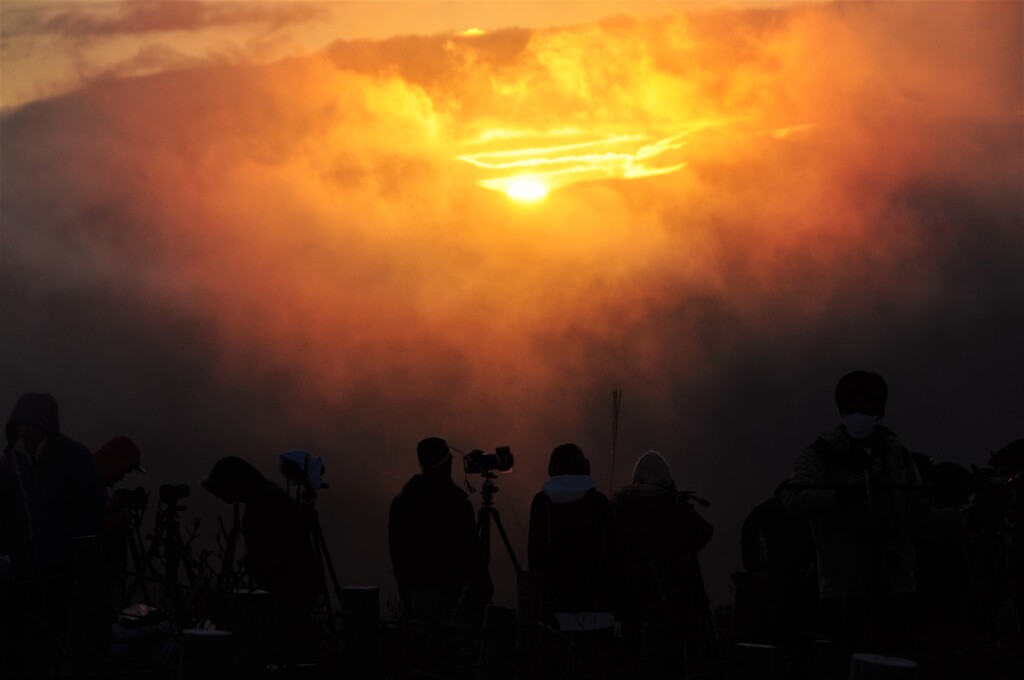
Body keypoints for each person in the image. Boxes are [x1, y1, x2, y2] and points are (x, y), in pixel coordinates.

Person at [781, 370, 961, 659]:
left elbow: (923, 518)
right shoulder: (820, 454)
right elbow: (793, 500)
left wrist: (970, 517)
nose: (858, 415)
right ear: (840, 409)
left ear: (880, 410)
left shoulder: (898, 455)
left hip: (897, 590)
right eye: (851, 408)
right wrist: (848, 494)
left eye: (867, 407)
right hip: (845, 596)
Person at [0, 392, 107, 673]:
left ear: (44, 425)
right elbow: (5, 507)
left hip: (63, 565)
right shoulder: (12, 460)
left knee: (58, 631)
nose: (24, 430)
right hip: (23, 564)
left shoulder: (73, 457)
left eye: (30, 424)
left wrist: (82, 547)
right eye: (20, 424)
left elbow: (93, 503)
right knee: (26, 629)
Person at [612, 450, 714, 674]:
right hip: (674, 605)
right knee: (672, 665)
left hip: (631, 604)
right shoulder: (671, 508)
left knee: (635, 662)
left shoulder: (619, 509)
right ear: (667, 482)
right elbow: (704, 532)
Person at [388, 437, 487, 623]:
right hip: (455, 595)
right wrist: (483, 591)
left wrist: (406, 592)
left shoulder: (401, 502)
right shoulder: (456, 503)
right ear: (447, 463)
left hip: (417, 593)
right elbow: (471, 552)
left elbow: (397, 552)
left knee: (424, 648)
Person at [528, 443, 615, 617]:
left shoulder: (541, 502)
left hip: (552, 602)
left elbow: (535, 555)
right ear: (585, 467)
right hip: (593, 604)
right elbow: (610, 554)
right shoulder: (599, 502)